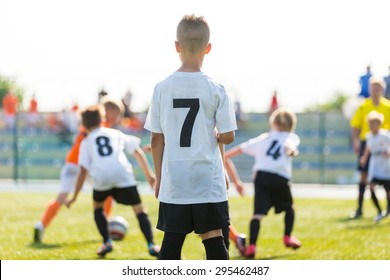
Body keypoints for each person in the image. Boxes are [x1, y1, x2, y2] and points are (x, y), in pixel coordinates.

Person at [144, 14, 237, 260]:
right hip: (207, 177)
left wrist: (159, 177)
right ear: (208, 48)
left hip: (175, 177)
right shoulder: (216, 88)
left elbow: (156, 139)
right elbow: (227, 136)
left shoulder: (162, 87)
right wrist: (218, 140)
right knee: (214, 238)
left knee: (172, 241)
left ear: (176, 46)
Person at [65, 105, 160, 257]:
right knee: (139, 209)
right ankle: (151, 245)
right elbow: (137, 151)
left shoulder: (86, 141)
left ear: (83, 125)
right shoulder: (115, 133)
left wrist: (74, 197)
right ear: (102, 119)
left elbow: (83, 171)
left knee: (98, 207)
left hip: (102, 177)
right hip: (122, 173)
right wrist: (149, 175)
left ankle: (107, 242)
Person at [33, 98, 125, 243]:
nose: (118, 118)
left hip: (72, 163)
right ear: (109, 112)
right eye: (117, 114)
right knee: (107, 196)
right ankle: (105, 229)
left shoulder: (89, 122)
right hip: (86, 166)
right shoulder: (103, 128)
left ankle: (41, 224)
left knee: (61, 197)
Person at [225, 107, 301, 259]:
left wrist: (236, 180)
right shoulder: (291, 137)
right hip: (280, 177)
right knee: (289, 208)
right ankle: (287, 236)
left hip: (261, 177)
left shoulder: (264, 138)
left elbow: (233, 152)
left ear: (273, 122)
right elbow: (288, 146)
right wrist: (291, 151)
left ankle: (252, 246)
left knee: (257, 215)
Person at [350, 78, 390, 219]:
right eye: (373, 87)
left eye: (378, 88)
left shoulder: (387, 106)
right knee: (364, 177)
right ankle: (359, 209)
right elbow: (355, 125)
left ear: (382, 90)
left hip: (385, 147)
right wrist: (355, 142)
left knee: (387, 177)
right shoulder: (364, 105)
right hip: (367, 145)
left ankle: (387, 209)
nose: (375, 90)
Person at [359, 110, 390, 222]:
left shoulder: (385, 135)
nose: (372, 126)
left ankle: (388, 210)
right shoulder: (369, 136)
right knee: (371, 186)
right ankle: (379, 211)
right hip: (375, 165)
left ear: (379, 124)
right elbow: (368, 148)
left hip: (385, 166)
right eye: (370, 124)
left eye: (374, 123)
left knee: (388, 190)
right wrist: (364, 157)